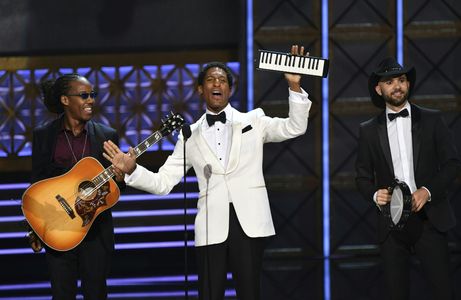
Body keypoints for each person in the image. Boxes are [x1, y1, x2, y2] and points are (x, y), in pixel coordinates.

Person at [103, 45, 312, 299]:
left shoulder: (254, 121)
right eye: (211, 79)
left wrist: (294, 86)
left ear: (229, 89)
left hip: (249, 223)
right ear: (201, 89)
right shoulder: (189, 135)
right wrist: (133, 169)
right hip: (211, 225)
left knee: (250, 293)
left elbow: (295, 127)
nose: (217, 83)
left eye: (222, 80)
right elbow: (163, 182)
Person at [355, 57, 461, 300]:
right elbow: (361, 177)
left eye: (402, 80)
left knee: (443, 290)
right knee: (396, 293)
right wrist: (374, 193)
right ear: (378, 89)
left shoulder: (432, 120)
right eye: (390, 82)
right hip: (392, 226)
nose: (397, 86)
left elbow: (452, 164)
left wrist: (427, 190)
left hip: (430, 220)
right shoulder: (368, 130)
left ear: (409, 84)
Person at [31, 73, 125, 299]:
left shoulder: (106, 136)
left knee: (96, 294)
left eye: (92, 95)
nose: (91, 100)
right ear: (65, 100)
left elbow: (114, 189)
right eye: (84, 95)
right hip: (58, 231)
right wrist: (34, 227)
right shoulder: (44, 135)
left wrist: (121, 177)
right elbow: (37, 184)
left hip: (94, 232)